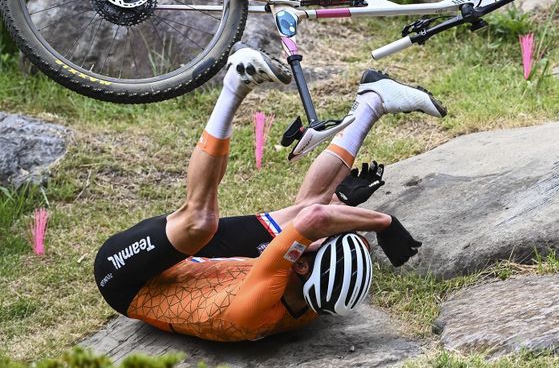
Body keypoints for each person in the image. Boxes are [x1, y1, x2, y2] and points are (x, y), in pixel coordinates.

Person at [93, 45, 447, 342]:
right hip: (211, 271)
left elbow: (315, 221)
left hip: (127, 280)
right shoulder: (310, 302)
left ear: (301, 264)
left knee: (200, 222)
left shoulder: (260, 301)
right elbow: (315, 224)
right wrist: (338, 205)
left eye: (316, 247)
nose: (316, 241)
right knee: (312, 209)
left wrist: (382, 223)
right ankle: (373, 101)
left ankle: (235, 81)